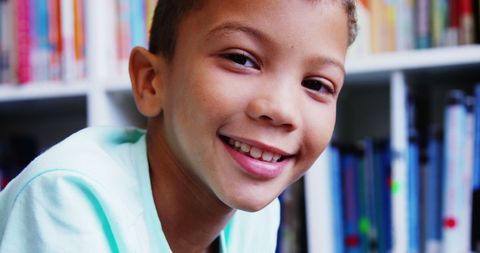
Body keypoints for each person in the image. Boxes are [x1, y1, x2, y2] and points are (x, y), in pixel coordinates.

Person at [0, 0, 357, 252]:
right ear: (152, 82)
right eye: (241, 59)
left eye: (317, 84)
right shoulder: (65, 197)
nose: (281, 110)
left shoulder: (256, 217)